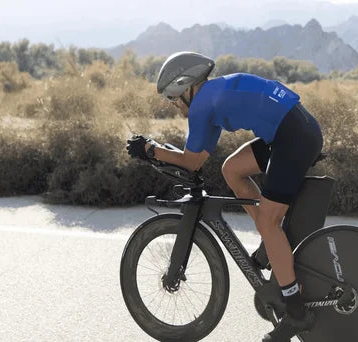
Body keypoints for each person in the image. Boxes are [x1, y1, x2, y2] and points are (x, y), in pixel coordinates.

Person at [126, 51, 323, 341]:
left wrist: (150, 150)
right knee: (233, 169)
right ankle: (273, 244)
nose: (173, 106)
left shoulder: (202, 105)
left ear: (185, 87)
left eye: (172, 98)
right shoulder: (215, 95)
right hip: (295, 128)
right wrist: (159, 151)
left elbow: (192, 162)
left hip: (293, 136)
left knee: (269, 222)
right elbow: (199, 156)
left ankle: (296, 312)